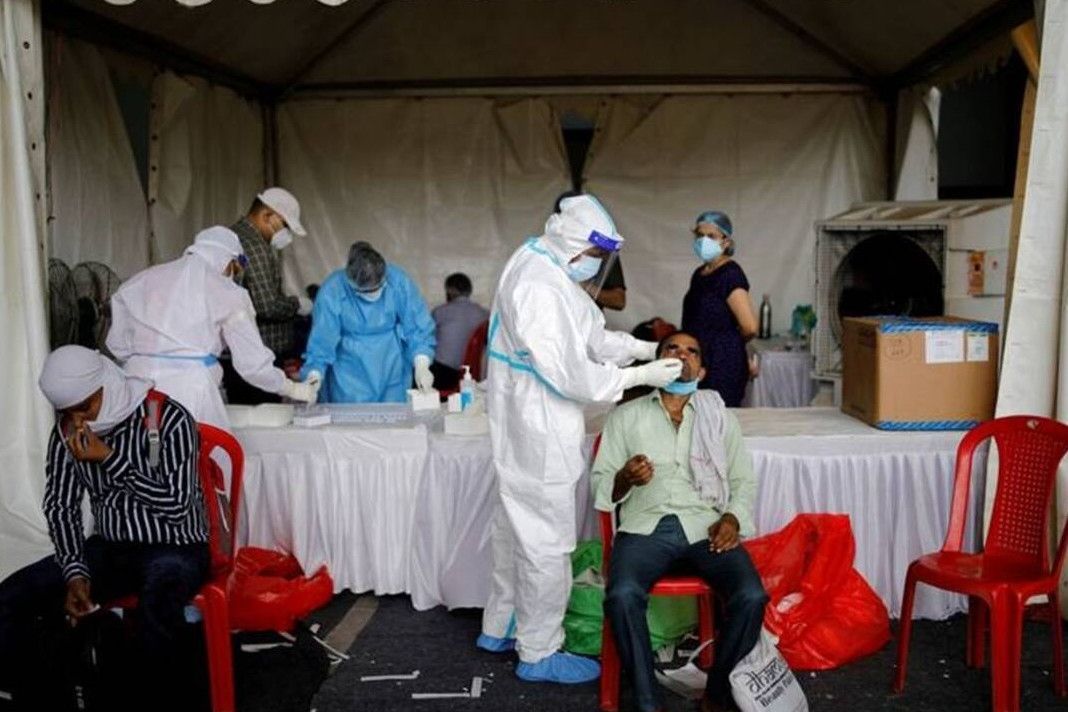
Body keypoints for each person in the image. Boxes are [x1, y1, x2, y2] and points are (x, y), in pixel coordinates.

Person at [476, 194, 684, 684]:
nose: (595, 265)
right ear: (575, 244)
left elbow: (589, 335)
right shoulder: (538, 285)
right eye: (594, 255)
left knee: (514, 529)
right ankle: (539, 651)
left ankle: (500, 625)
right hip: (538, 425)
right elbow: (574, 374)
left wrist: (644, 348)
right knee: (546, 540)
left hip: (524, 420)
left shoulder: (542, 260)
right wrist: (641, 376)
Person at [0, 346, 209, 711]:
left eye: (85, 407)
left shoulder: (167, 418)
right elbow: (61, 506)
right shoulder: (67, 432)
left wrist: (110, 459)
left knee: (158, 607)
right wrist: (75, 573)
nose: (78, 420)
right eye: (67, 412)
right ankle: (45, 698)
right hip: (112, 547)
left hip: (176, 545)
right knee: (11, 598)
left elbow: (179, 508)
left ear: (106, 386)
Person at [591, 331, 767, 712]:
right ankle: (647, 701)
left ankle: (716, 695)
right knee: (621, 595)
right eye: (672, 348)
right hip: (644, 529)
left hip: (706, 527)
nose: (681, 355)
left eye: (692, 351)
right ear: (658, 363)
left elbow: (742, 481)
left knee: (752, 595)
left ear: (701, 371)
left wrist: (732, 518)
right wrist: (625, 478)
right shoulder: (625, 416)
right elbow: (601, 484)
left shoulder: (719, 418)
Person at [106, 226, 319, 430]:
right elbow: (253, 366)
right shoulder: (229, 293)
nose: (233, 276)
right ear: (229, 261)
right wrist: (292, 388)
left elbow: (117, 345)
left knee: (138, 450)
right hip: (190, 390)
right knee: (188, 449)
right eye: (235, 270)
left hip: (136, 386)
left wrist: (146, 359)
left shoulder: (140, 281)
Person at [301, 241, 436, 403]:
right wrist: (314, 375)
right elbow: (322, 339)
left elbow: (418, 326)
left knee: (394, 415)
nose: (373, 294)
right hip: (349, 374)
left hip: (391, 366)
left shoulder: (398, 281)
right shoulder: (333, 290)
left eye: (377, 287)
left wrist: (422, 364)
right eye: (365, 291)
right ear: (350, 280)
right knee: (352, 418)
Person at [225, 187, 313, 403]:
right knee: (265, 418)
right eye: (285, 226)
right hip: (259, 357)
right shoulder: (255, 246)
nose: (287, 235)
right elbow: (267, 305)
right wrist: (297, 305)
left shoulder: (234, 235)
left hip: (239, 354)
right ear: (267, 215)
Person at [681, 210, 758, 407]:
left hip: (723, 363)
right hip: (700, 362)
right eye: (700, 235)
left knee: (720, 417)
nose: (703, 241)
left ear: (726, 242)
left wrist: (726, 342)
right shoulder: (699, 274)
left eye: (711, 236)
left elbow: (749, 327)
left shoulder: (730, 274)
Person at [554, 190, 626, 310]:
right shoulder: (547, 251)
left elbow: (619, 301)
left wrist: (584, 285)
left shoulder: (602, 249)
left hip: (588, 318)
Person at [430, 272, 489, 391]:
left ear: (449, 291)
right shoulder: (485, 314)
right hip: (472, 373)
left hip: (443, 374)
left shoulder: (440, 312)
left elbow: (428, 342)